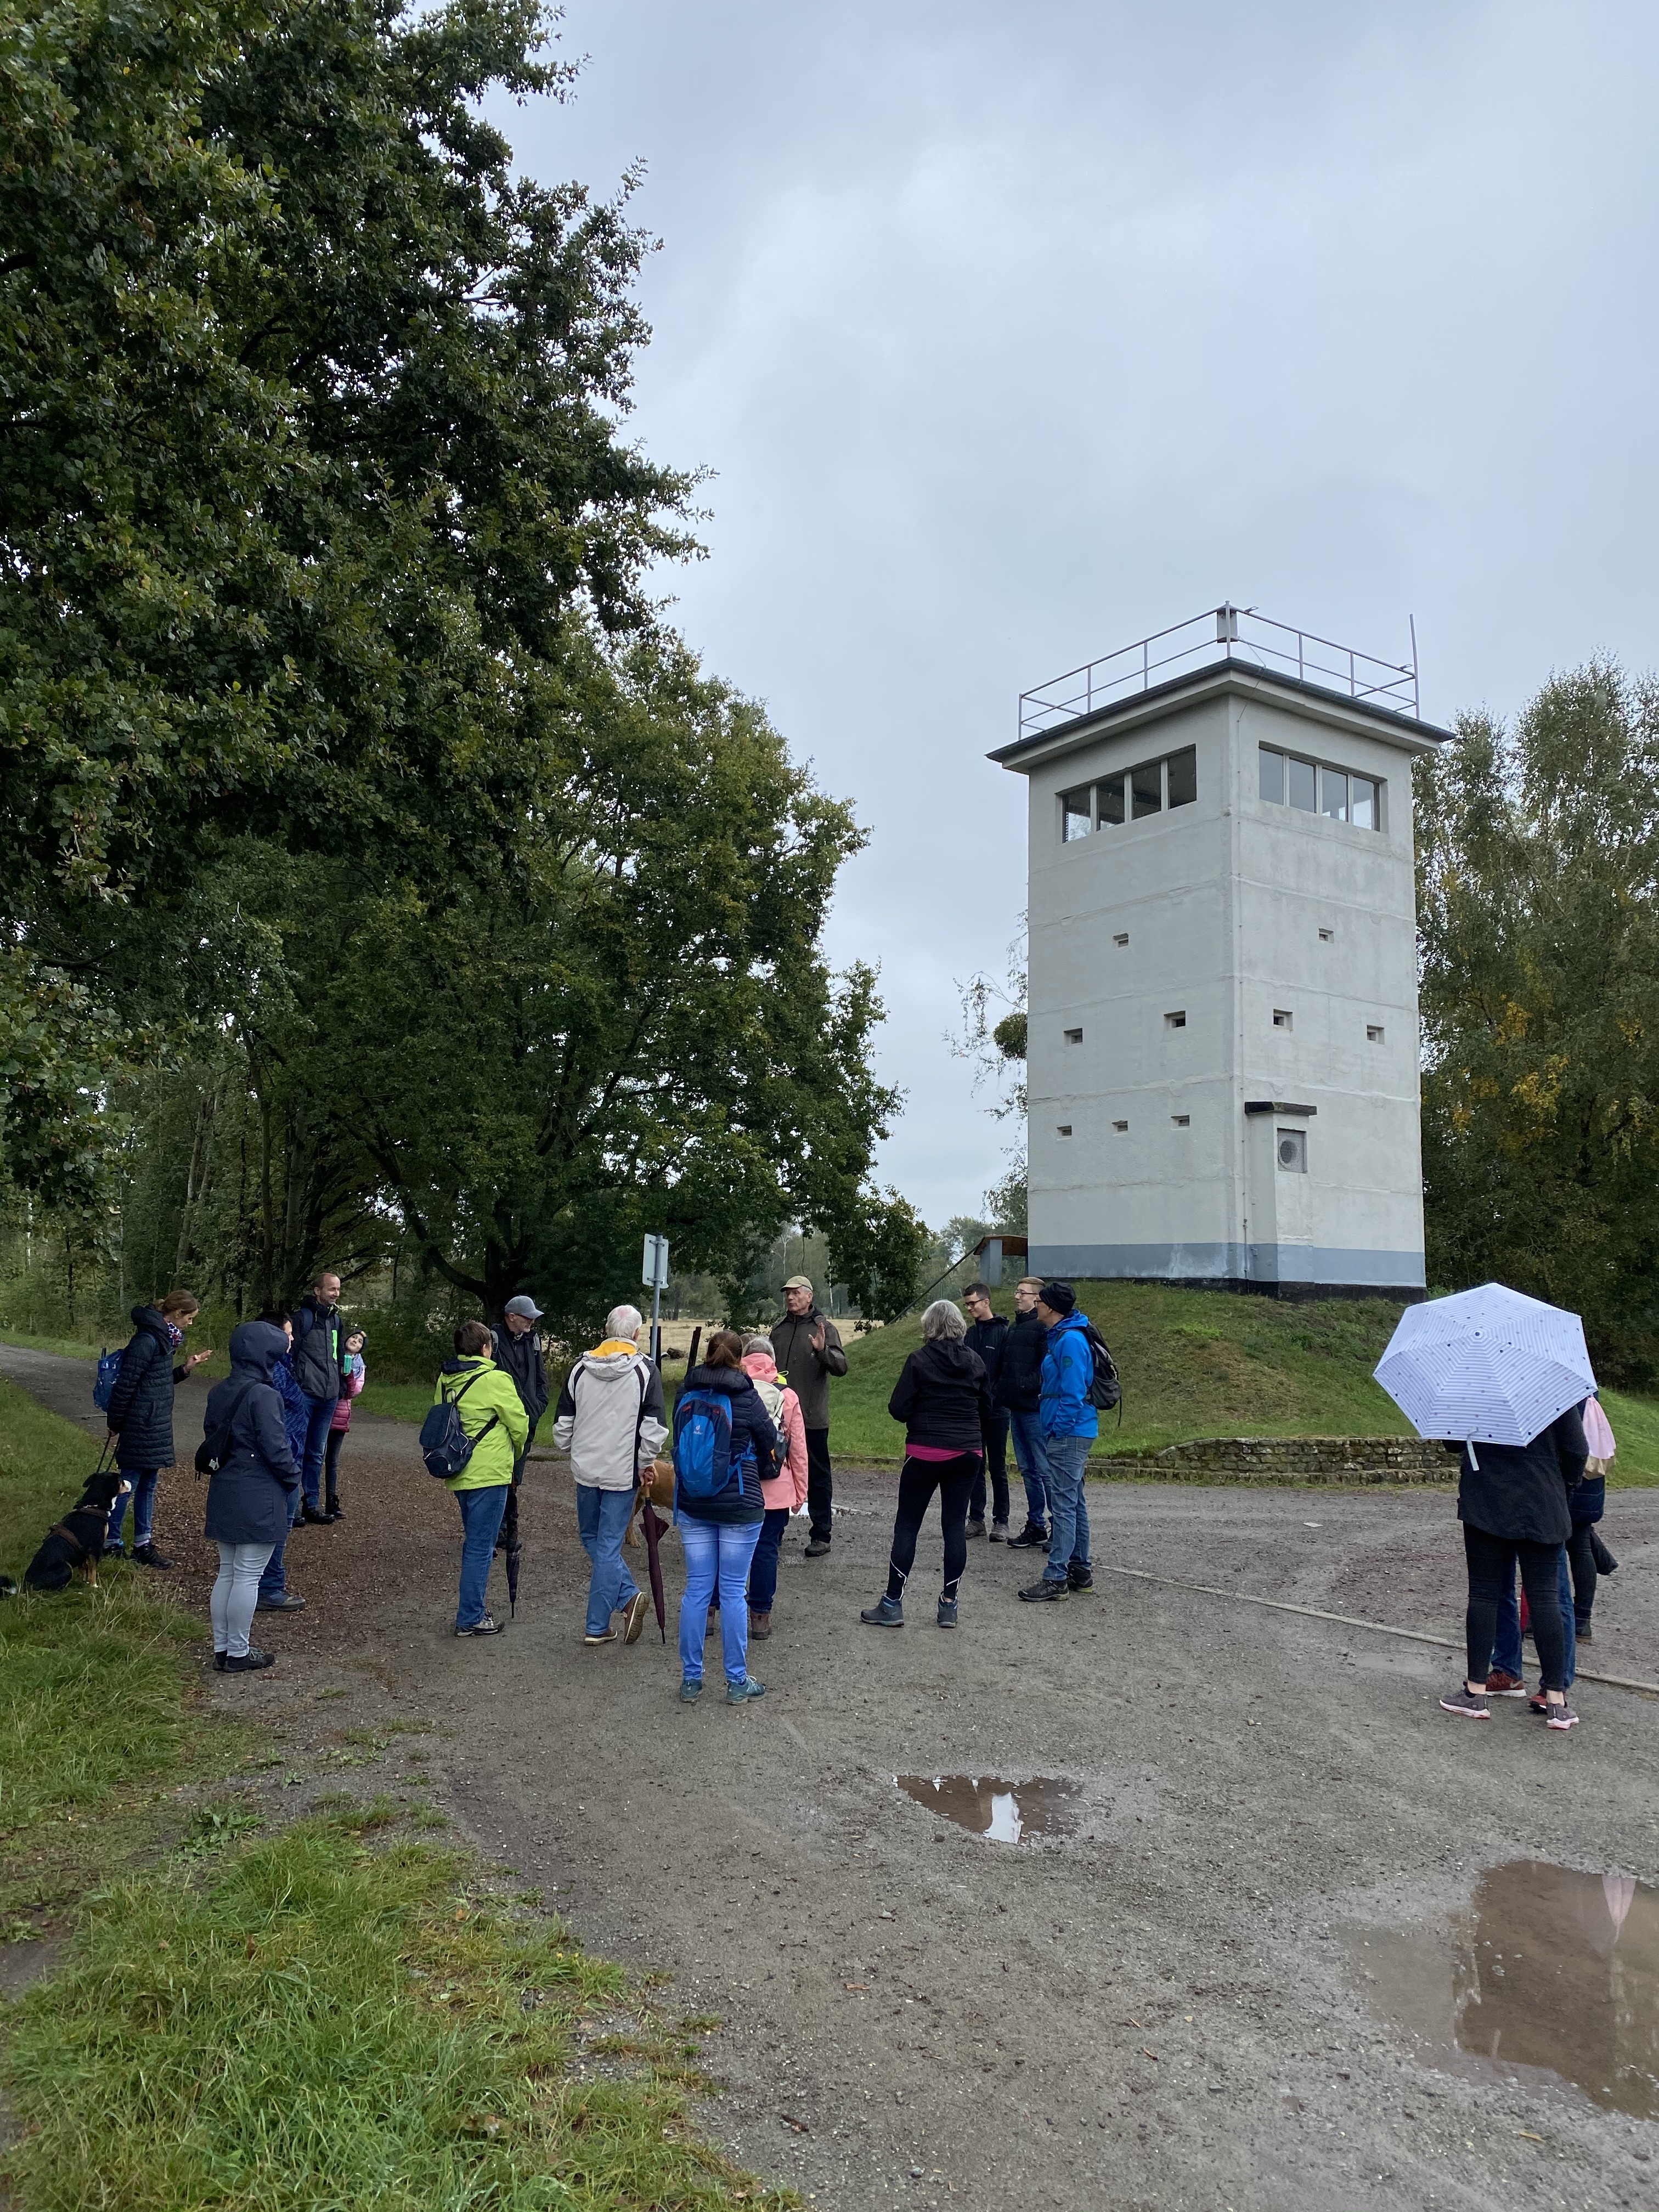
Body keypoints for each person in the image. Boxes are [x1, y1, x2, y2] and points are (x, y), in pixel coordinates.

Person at [1438, 1402, 1587, 1728]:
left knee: (1484, 1594)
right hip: (1544, 1498)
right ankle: (1557, 1701)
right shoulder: (1552, 1390)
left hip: (1486, 1498)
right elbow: (1577, 1450)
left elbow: (1451, 1442)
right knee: (1546, 1597)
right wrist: (1566, 1486)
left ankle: (1476, 1692)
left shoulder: (1475, 1387)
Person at [860, 1299, 990, 1630]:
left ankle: (893, 1603)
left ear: (929, 1327)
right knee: (954, 1528)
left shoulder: (919, 1361)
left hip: (926, 1450)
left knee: (908, 1525)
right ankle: (949, 1605)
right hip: (967, 1452)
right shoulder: (976, 1361)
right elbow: (988, 1407)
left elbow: (898, 1408)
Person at [551, 1304, 664, 1649]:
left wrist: (572, 1447)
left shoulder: (579, 1369)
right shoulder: (646, 1371)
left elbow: (562, 1424)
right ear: (636, 1334)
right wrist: (645, 1462)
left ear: (606, 1330)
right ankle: (621, 1603)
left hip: (587, 1469)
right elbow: (654, 1426)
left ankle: (605, 1619)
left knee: (594, 1539)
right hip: (622, 1471)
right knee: (606, 1545)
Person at [673, 1329, 777, 1702]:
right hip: (740, 1504)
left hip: (694, 1503)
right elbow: (771, 1446)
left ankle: (691, 1679)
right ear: (739, 1358)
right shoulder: (748, 1397)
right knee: (734, 1591)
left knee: (698, 1588)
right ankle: (736, 1682)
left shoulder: (686, 1392)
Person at [202, 1321, 302, 1673]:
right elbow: (276, 1448)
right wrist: (294, 1479)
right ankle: (239, 1652)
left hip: (226, 1487)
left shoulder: (219, 1391)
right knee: (248, 1576)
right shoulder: (264, 1395)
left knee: (228, 1573)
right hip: (258, 1491)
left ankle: (223, 1648)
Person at [434, 1319, 529, 1637]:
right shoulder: (496, 1378)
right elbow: (519, 1423)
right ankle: (470, 1616)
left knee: (478, 1543)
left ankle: (472, 1608)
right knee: (480, 1546)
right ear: (486, 1348)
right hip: (489, 1473)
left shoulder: (446, 1379)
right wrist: (515, 1454)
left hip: (459, 1470)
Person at [104, 1289, 212, 1566]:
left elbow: (156, 1382)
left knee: (148, 1485)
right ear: (177, 1314)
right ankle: (112, 1543)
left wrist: (185, 1370)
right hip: (141, 1424)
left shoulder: (165, 1339)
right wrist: (115, 1423)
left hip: (154, 1424)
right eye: (190, 1318)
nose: (191, 1323)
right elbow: (126, 1385)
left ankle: (142, 1544)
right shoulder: (148, 1340)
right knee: (127, 1486)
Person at [1018, 1281, 1096, 1602]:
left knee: (1063, 1506)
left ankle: (1056, 1577)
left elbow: (1074, 1392)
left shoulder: (1071, 1341)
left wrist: (1058, 1430)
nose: (1035, 1305)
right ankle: (1080, 1570)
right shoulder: (1064, 1336)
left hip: (1069, 1433)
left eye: (1041, 1301)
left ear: (1050, 1307)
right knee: (1074, 1502)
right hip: (1071, 1431)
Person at [770, 1276, 846, 1558]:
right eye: (787, 1294)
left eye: (795, 1293)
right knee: (775, 1473)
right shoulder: (778, 1332)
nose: (790, 1298)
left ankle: (821, 1535)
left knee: (817, 1476)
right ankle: (773, 1531)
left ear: (810, 1296)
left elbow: (841, 1367)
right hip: (778, 1418)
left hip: (811, 1418)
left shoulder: (823, 1328)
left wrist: (822, 1351)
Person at [741, 1333, 808, 1640]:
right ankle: (760, 1618)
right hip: (775, 1488)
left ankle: (712, 1613)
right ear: (773, 1362)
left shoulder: (732, 1390)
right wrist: (800, 1491)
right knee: (766, 1551)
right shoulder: (788, 1395)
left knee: (723, 1551)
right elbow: (798, 1451)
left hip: (735, 1485)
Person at [252, 1310, 311, 1618]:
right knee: (278, 1526)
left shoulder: (281, 1367)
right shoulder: (270, 1375)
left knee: (283, 1525)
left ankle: (267, 1584)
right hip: (282, 1460)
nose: (292, 1339)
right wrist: (287, 1461)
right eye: (287, 1334)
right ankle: (269, 1588)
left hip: (291, 1456)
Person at [996, 1277, 1052, 1552]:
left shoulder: (1043, 1328)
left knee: (1044, 1469)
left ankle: (1058, 1526)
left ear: (1036, 1299)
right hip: (1015, 1408)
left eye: (1023, 1293)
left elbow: (1045, 1368)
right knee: (1028, 1471)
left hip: (1034, 1409)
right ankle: (1036, 1524)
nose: (1017, 1297)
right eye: (1016, 1292)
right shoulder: (1015, 1327)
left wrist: (1023, 1385)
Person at [291, 1269, 345, 1525]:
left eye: (338, 1289)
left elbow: (338, 1354)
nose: (336, 1293)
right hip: (305, 1393)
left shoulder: (336, 1320)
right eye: (331, 1289)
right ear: (317, 1291)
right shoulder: (302, 1318)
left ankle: (311, 1504)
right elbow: (291, 1354)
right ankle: (291, 1508)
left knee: (316, 1453)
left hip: (329, 1395)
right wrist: (296, 1384)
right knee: (297, 1450)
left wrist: (341, 1383)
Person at [961, 1282, 1012, 1540]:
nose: (969, 1308)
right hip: (974, 1410)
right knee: (975, 1464)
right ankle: (976, 1518)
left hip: (998, 1410)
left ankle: (1001, 1520)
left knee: (998, 1466)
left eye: (973, 1303)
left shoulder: (1004, 1332)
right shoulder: (969, 1335)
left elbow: (1006, 1370)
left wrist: (996, 1396)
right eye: (966, 1304)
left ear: (986, 1302)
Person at [323, 1328, 367, 1520]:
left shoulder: (360, 1367)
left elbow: (354, 1392)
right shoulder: (332, 1355)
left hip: (340, 1414)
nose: (355, 1341)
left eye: (359, 1342)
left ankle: (330, 1501)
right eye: (354, 1338)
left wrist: (347, 1375)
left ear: (360, 1350)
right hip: (323, 1409)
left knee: (332, 1461)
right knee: (315, 1456)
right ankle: (309, 1499)